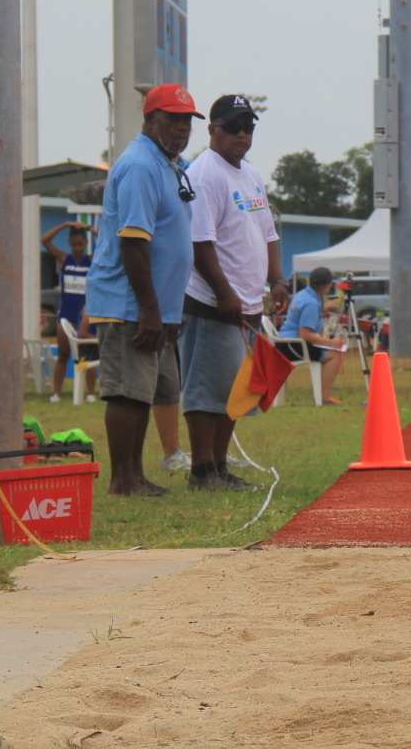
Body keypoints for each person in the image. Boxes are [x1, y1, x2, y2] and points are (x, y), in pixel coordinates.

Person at [86, 84, 202, 497]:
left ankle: (135, 477)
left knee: (146, 392)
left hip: (155, 305)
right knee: (127, 392)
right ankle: (123, 481)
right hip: (128, 302)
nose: (181, 128)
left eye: (187, 121)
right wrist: (151, 310)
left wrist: (166, 311)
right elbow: (133, 242)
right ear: (149, 120)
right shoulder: (139, 165)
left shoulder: (170, 164)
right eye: (172, 119)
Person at [175, 95, 288, 492]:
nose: (242, 133)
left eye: (248, 126)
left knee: (235, 389)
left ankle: (219, 467)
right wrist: (224, 293)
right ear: (212, 130)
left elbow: (268, 233)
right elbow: (200, 243)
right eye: (232, 126)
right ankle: (202, 471)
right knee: (206, 389)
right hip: (211, 301)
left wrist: (277, 280)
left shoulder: (250, 174)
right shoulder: (205, 174)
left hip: (247, 301)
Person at [42, 220, 100, 402]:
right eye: (74, 244)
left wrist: (89, 228)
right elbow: (44, 240)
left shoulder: (91, 260)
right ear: (69, 244)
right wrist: (65, 224)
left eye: (80, 244)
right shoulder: (64, 259)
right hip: (65, 316)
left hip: (84, 316)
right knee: (64, 355)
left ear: (86, 244)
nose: (77, 248)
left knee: (88, 356)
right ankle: (56, 393)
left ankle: (90, 393)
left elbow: (107, 241)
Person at [278, 267, 345, 403]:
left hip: (283, 342)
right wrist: (332, 343)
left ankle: (322, 394)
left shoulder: (302, 294)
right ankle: (324, 397)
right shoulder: (312, 303)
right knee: (334, 354)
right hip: (293, 345)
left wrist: (322, 310)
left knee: (329, 351)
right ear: (327, 286)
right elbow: (305, 335)